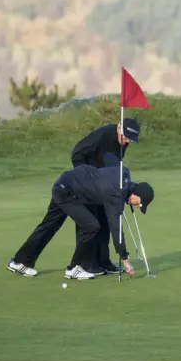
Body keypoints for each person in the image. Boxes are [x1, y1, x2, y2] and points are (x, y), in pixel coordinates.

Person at [6, 164, 154, 280]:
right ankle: (75, 268)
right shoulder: (116, 195)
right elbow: (116, 228)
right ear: (136, 193)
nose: (136, 206)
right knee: (91, 225)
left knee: (49, 226)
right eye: (139, 203)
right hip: (67, 192)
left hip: (66, 182)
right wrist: (125, 258)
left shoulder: (125, 173)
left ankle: (20, 261)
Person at [70, 117, 141, 276]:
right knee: (90, 222)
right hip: (87, 182)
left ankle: (104, 261)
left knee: (105, 220)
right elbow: (76, 154)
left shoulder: (122, 142)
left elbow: (115, 165)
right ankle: (86, 264)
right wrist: (86, 177)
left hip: (105, 185)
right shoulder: (101, 136)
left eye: (130, 140)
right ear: (119, 129)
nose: (128, 142)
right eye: (127, 138)